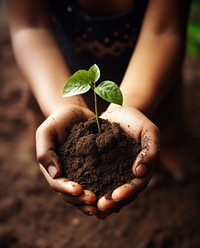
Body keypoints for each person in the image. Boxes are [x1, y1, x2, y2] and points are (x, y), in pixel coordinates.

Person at [5, 0, 191, 219]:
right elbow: (31, 27)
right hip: (55, 73)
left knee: (163, 130)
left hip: (150, 71)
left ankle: (171, 146)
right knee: (47, 134)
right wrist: (65, 106)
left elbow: (164, 31)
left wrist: (129, 106)